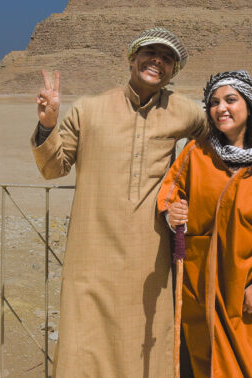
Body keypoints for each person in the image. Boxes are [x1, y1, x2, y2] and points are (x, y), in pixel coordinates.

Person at [31, 27, 207, 377]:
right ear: (132, 57)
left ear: (173, 71)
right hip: (91, 255)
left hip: (148, 256)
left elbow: (216, 144)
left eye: (167, 58)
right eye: (150, 52)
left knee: (145, 343)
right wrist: (48, 124)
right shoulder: (89, 110)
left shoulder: (184, 112)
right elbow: (54, 168)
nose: (157, 60)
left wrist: (181, 192)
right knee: (86, 345)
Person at [158, 70, 252, 377]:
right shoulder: (198, 152)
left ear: (249, 105)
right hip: (205, 284)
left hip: (248, 286)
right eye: (213, 102)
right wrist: (172, 216)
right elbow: (170, 194)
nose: (221, 108)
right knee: (208, 362)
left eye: (230, 100)